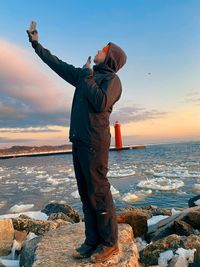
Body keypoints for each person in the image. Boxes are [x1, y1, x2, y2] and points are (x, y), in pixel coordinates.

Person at [27, 27, 127, 263]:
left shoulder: (112, 80)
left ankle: (110, 242)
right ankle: (92, 240)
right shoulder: (86, 75)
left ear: (110, 56)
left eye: (102, 49)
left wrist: (87, 76)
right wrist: (36, 45)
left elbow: (101, 102)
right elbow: (59, 65)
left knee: (99, 191)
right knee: (85, 193)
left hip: (95, 142)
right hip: (79, 140)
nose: (97, 50)